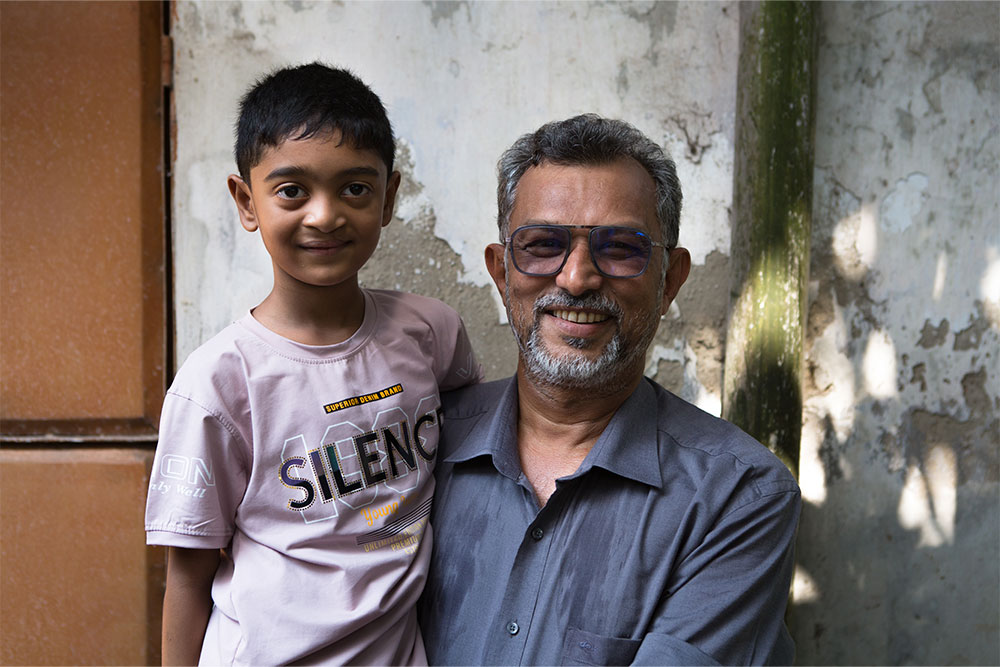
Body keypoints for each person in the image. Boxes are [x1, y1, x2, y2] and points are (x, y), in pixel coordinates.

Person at [418, 114, 801, 666]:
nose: (576, 278)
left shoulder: (738, 496)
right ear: (501, 272)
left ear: (669, 280)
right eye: (543, 243)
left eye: (620, 248)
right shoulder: (419, 443)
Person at [145, 63, 482, 666]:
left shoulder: (431, 334)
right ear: (246, 201)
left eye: (355, 188)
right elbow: (189, 577)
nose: (324, 216)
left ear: (388, 198)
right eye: (292, 190)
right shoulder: (219, 383)